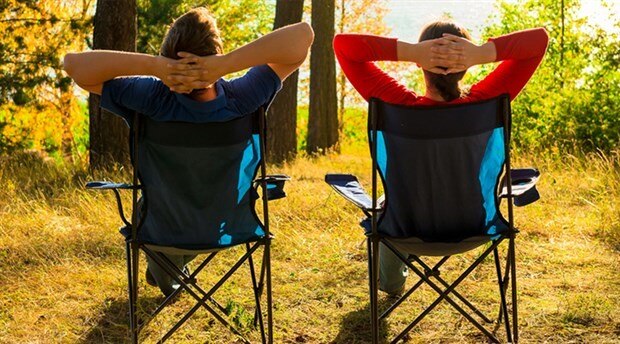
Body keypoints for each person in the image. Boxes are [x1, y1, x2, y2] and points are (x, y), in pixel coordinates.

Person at [63, 7, 314, 296]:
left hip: (160, 230)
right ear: (216, 53)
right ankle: (170, 269)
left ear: (167, 56)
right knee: (190, 223)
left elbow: (74, 66)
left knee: (161, 230)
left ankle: (168, 270)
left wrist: (156, 68)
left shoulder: (150, 99)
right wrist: (226, 65)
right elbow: (302, 37)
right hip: (227, 225)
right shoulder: (244, 96)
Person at [333, 21, 548, 295]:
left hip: (404, 228)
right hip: (473, 226)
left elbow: (343, 46)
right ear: (466, 67)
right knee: (390, 205)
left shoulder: (396, 105)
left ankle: (392, 285)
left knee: (384, 207)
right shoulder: (485, 103)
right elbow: (538, 40)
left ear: (419, 65)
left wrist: (411, 51)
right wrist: (480, 53)